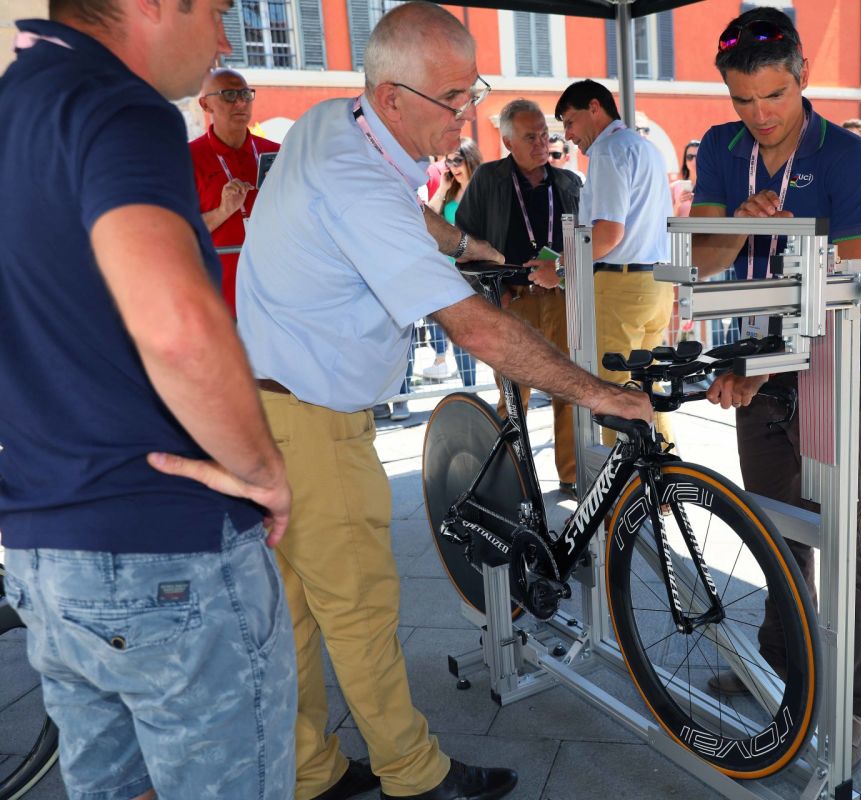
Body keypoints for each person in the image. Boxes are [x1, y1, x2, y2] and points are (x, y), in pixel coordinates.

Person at [234, 5, 652, 800]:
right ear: (393, 96)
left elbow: (409, 213)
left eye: (473, 91)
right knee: (359, 609)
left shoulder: (332, 124)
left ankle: (310, 769)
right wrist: (600, 393)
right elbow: (475, 328)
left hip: (266, 403)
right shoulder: (359, 184)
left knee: (293, 608)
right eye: (454, 98)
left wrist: (463, 242)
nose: (468, 115)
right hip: (313, 420)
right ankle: (414, 775)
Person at [1, 3, 296, 800]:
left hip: (43, 545)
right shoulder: (113, 103)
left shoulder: (15, 101)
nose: (225, 39)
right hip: (165, 547)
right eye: (220, 10)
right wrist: (262, 470)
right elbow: (175, 326)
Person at [687, 6, 861, 768]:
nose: (760, 115)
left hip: (832, 364)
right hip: (753, 361)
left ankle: (850, 697)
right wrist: (740, 224)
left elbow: (856, 279)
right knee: (772, 526)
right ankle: (779, 671)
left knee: (841, 533)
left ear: (802, 74)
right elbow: (703, 260)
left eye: (774, 95)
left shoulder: (847, 156)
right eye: (743, 99)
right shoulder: (722, 148)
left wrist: (763, 366)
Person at [455, 98, 584, 498]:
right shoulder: (489, 180)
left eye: (545, 135)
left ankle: (573, 477)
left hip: (562, 299)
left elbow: (585, 242)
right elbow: (464, 241)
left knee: (570, 390)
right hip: (512, 300)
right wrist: (494, 297)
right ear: (508, 141)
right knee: (513, 397)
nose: (542, 143)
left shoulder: (568, 183)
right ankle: (511, 482)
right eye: (531, 137)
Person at [556, 79, 676, 444]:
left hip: (621, 287)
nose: (568, 134)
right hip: (655, 285)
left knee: (615, 396)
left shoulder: (608, 150)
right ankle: (666, 477)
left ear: (594, 108)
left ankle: (628, 480)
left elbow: (608, 233)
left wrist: (560, 265)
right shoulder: (645, 147)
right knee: (648, 393)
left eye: (570, 122)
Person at [189, 67, 280, 317]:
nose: (240, 102)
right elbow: (177, 233)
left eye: (245, 94)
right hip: (220, 303)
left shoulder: (278, 153)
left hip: (277, 297)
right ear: (205, 105)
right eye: (229, 95)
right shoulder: (186, 159)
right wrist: (223, 211)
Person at [422, 137, 481, 385]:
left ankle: (474, 389)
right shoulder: (449, 191)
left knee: (472, 334)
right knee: (458, 333)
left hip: (475, 272)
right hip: (448, 271)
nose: (453, 166)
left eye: (458, 160)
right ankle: (469, 389)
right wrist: (443, 188)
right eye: (449, 162)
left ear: (470, 159)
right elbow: (427, 216)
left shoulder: (483, 191)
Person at [672, 139, 701, 217]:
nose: (694, 160)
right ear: (685, 161)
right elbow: (667, 218)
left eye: (698, 156)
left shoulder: (714, 186)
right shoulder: (674, 187)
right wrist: (678, 203)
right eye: (690, 157)